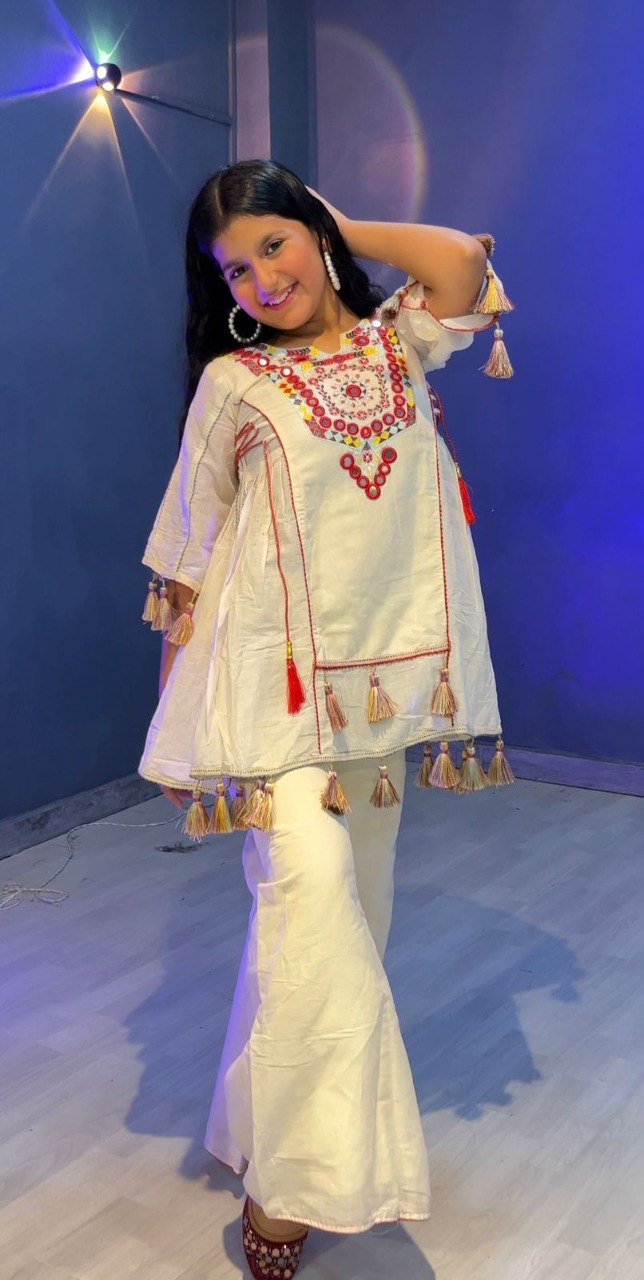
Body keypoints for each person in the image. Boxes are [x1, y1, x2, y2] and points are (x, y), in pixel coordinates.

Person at [137, 158, 515, 1274]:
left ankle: (253, 1130)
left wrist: (338, 217)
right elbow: (190, 564)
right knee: (310, 901)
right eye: (232, 268)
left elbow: (459, 264)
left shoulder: (396, 339)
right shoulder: (232, 388)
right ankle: (294, 1193)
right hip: (268, 705)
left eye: (273, 245)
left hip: (386, 704)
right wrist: (177, 726)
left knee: (339, 923)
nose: (258, 277)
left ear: (309, 235)